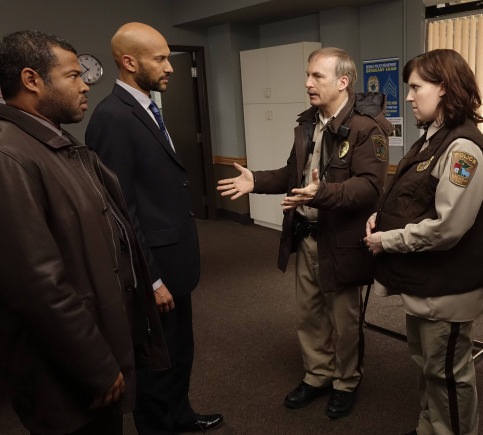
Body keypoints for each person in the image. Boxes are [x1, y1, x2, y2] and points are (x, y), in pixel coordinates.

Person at [0, 30, 169, 434]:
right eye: (74, 76)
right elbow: (39, 286)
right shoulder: (11, 157)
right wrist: (97, 366)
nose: (85, 86)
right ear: (31, 80)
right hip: (70, 373)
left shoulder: (55, 143)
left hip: (95, 351)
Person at [218, 47, 393, 419]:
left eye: (317, 76)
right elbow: (291, 174)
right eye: (308, 75)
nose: (307, 83)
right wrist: (256, 181)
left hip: (342, 241)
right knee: (309, 314)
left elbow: (370, 188)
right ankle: (318, 376)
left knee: (343, 321)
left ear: (342, 82)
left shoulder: (366, 128)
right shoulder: (309, 123)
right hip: (307, 235)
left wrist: (323, 193)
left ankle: (346, 381)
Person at [85, 23, 223, 433]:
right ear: (129, 62)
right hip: (154, 270)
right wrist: (152, 277)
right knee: (157, 364)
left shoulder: (147, 108)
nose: (171, 67)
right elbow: (118, 208)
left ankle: (180, 416)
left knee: (180, 351)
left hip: (174, 261)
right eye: (160, 59)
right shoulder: (112, 117)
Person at [364, 49, 483, 435]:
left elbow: (447, 227)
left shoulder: (463, 149)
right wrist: (381, 217)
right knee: (428, 366)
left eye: (416, 87)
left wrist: (388, 240)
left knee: (448, 375)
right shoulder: (432, 139)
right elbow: (415, 198)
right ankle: (430, 428)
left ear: (443, 89)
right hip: (426, 283)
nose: (408, 97)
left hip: (448, 290)